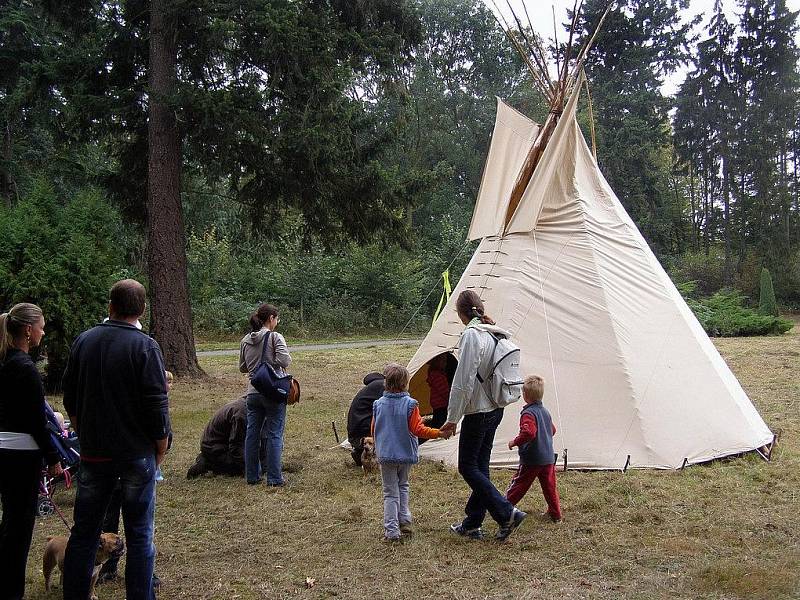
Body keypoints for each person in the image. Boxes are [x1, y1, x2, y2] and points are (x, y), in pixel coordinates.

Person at [62, 279, 170, 600]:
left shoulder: (84, 342)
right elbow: (157, 407)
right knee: (139, 536)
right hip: (136, 454)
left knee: (84, 534)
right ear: (143, 310)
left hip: (95, 455)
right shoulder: (146, 347)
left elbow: (71, 399)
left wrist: (85, 434)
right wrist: (159, 449)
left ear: (110, 306)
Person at [441, 289, 527, 541]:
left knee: (467, 466)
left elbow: (463, 380)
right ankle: (472, 522)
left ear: (460, 313)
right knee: (479, 466)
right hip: (495, 409)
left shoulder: (472, 336)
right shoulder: (494, 333)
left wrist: (452, 418)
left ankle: (507, 513)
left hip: (478, 411)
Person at [0, 303, 63, 600]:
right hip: (21, 457)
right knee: (19, 527)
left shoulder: (5, 362)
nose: (43, 330)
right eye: (41, 325)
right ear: (28, 330)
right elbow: (37, 422)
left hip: (4, 453)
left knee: (10, 522)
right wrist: (53, 459)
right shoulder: (25, 369)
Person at [371, 363, 449, 541]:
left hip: (386, 455)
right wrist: (438, 432)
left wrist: (378, 446)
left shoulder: (378, 404)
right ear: (405, 383)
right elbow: (418, 429)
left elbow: (374, 429)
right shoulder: (410, 404)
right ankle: (404, 521)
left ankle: (391, 531)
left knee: (390, 493)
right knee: (403, 486)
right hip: (405, 454)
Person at [240, 303, 291, 486]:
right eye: (277, 319)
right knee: (274, 433)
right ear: (271, 319)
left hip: (252, 392)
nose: (277, 322)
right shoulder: (274, 337)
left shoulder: (245, 340)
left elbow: (243, 367)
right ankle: (275, 478)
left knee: (252, 433)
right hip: (272, 391)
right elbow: (285, 360)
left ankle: (252, 475)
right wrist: (272, 361)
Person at [505, 375, 562, 522]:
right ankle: (555, 514)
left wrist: (515, 442)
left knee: (519, 485)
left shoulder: (528, 414)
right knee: (550, 487)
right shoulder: (545, 412)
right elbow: (553, 430)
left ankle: (503, 508)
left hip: (532, 458)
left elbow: (529, 432)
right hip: (548, 458)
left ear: (525, 395)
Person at [186, 395, 267, 478]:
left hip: (225, 444)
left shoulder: (252, 407)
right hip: (215, 448)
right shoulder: (242, 414)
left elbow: (262, 439)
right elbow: (236, 446)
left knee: (262, 465)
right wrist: (251, 467)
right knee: (249, 468)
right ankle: (207, 463)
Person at [346, 372, 385, 466]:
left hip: (355, 433)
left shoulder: (373, 386)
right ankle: (366, 454)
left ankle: (360, 451)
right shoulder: (382, 386)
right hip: (362, 432)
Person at [426, 354, 450, 429]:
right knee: (440, 422)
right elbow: (444, 391)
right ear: (437, 363)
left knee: (438, 419)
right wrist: (451, 400)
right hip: (441, 404)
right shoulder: (437, 376)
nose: (445, 363)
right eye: (443, 361)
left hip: (438, 405)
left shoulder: (435, 374)